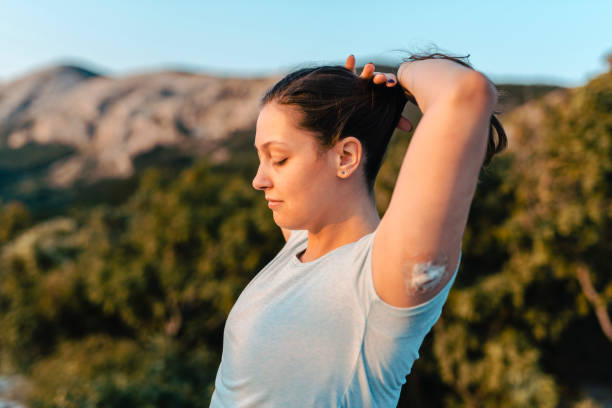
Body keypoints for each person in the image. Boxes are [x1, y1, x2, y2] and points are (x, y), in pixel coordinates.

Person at [209, 52, 507, 407]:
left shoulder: (381, 279)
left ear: (346, 157)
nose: (259, 180)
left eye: (279, 159)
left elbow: (466, 92)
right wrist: (357, 102)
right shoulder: (301, 245)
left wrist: (402, 78)